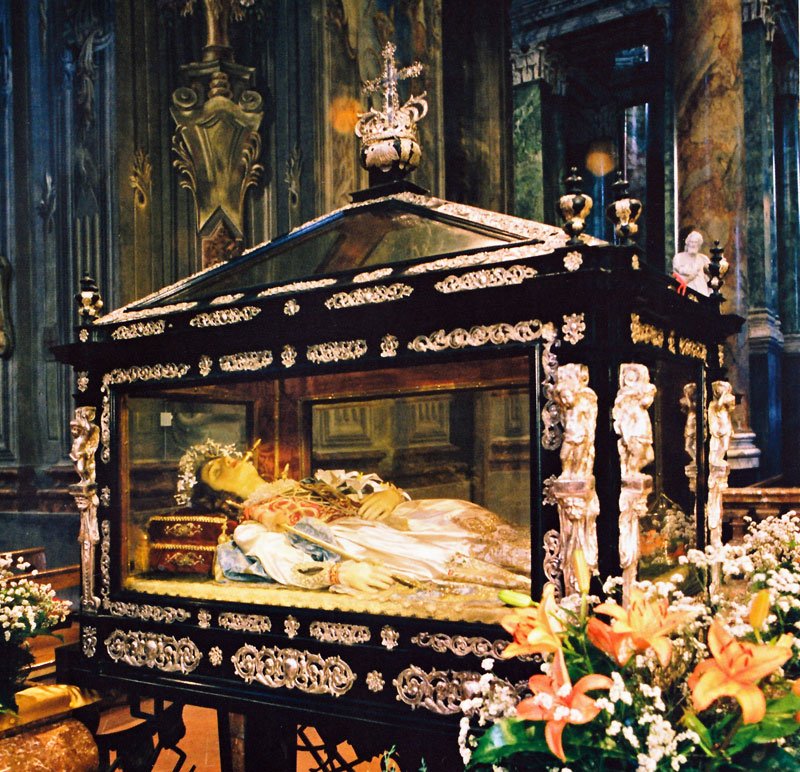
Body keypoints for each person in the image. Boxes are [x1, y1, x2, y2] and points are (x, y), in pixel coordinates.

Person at [183, 443, 532, 594]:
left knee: (458, 514)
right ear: (220, 496)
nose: (226, 462)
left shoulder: (310, 481)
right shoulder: (254, 524)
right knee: (449, 563)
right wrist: (340, 573)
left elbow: (364, 488)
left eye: (223, 457)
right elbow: (281, 561)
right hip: (362, 542)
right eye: (215, 470)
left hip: (394, 521)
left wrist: (392, 496)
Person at [672, 231, 711, 296]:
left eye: (696, 242)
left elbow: (713, 271)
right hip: (685, 291)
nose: (693, 245)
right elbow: (676, 272)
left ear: (699, 245)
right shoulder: (679, 257)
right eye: (691, 242)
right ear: (688, 243)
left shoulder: (703, 258)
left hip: (701, 291)